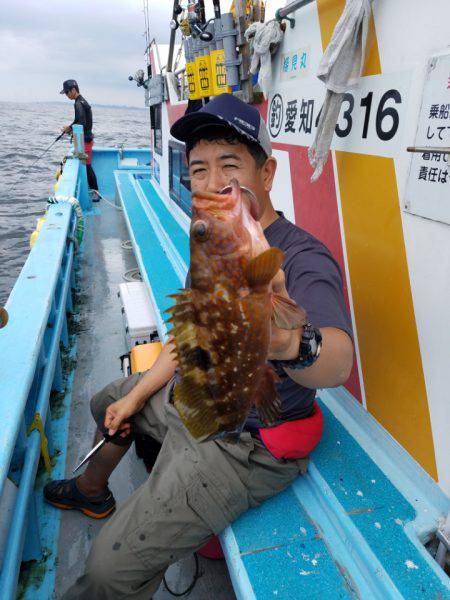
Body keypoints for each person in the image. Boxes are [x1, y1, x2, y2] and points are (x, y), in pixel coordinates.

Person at [44, 94, 354, 599]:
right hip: (200, 401)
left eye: (229, 165)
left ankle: (169, 500)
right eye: (198, 170)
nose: (212, 185)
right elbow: (187, 336)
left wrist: (282, 342)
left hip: (247, 441)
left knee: (105, 571)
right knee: (108, 403)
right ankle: (92, 490)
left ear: (268, 172)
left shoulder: (302, 259)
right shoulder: (213, 240)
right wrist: (137, 396)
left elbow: (337, 362)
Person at [60, 79, 100, 202]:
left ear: (73, 90)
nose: (66, 95)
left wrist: (70, 128)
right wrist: (69, 128)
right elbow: (78, 121)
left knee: (87, 167)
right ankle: (94, 190)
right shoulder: (81, 101)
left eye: (67, 93)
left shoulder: (78, 103)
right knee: (86, 166)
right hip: (86, 139)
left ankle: (96, 192)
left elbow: (81, 123)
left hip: (86, 141)